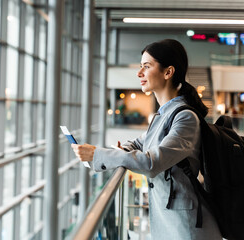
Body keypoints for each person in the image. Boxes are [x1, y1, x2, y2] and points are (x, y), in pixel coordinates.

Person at [71, 39, 222, 240]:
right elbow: (137, 144)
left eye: (146, 66)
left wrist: (98, 154)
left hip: (187, 228)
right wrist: (119, 152)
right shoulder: (163, 115)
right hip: (171, 223)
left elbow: (152, 162)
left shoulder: (185, 117)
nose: (139, 73)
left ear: (168, 72)